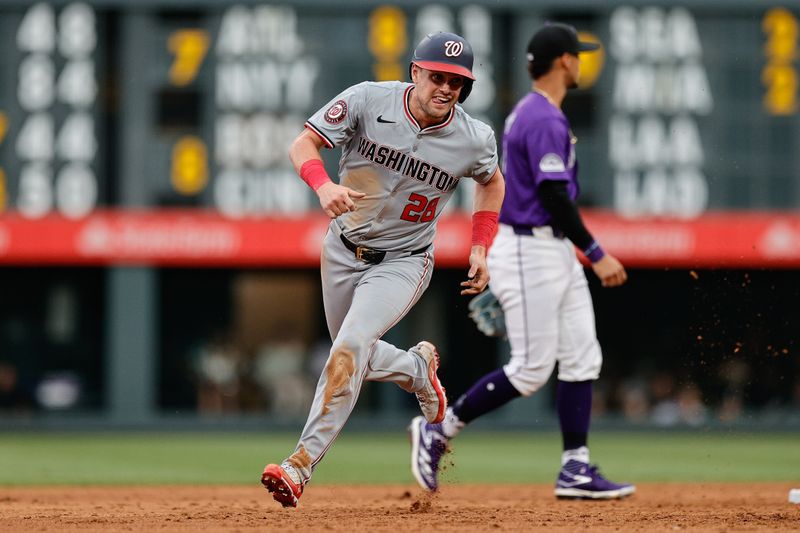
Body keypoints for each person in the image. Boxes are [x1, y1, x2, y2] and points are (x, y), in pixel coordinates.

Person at [261, 31, 505, 508]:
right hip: (341, 249)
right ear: (415, 72)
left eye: (457, 81)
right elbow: (303, 145)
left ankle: (299, 464)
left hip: (403, 260)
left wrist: (481, 247)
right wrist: (322, 185)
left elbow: (492, 184)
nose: (446, 88)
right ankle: (416, 369)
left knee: (349, 348)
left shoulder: (474, 138)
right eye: (437, 76)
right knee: (350, 355)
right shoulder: (368, 100)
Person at [409, 22, 635, 500]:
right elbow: (553, 195)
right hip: (532, 247)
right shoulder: (544, 119)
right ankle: (437, 430)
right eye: (579, 56)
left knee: (581, 357)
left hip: (548, 248)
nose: (582, 63)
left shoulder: (535, 112)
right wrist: (595, 253)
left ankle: (575, 467)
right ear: (566, 61)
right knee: (532, 369)